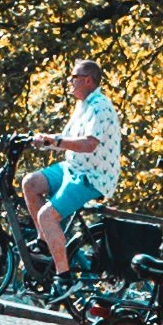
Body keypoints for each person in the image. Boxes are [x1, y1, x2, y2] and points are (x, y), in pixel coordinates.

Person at [22, 61, 123, 283]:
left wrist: (55, 141)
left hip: (92, 177)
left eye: (74, 77)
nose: (70, 81)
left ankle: (64, 277)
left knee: (47, 216)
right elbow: (67, 138)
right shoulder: (83, 105)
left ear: (88, 80)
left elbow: (88, 144)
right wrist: (42, 140)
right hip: (73, 167)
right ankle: (44, 243)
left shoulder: (100, 107)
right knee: (31, 183)